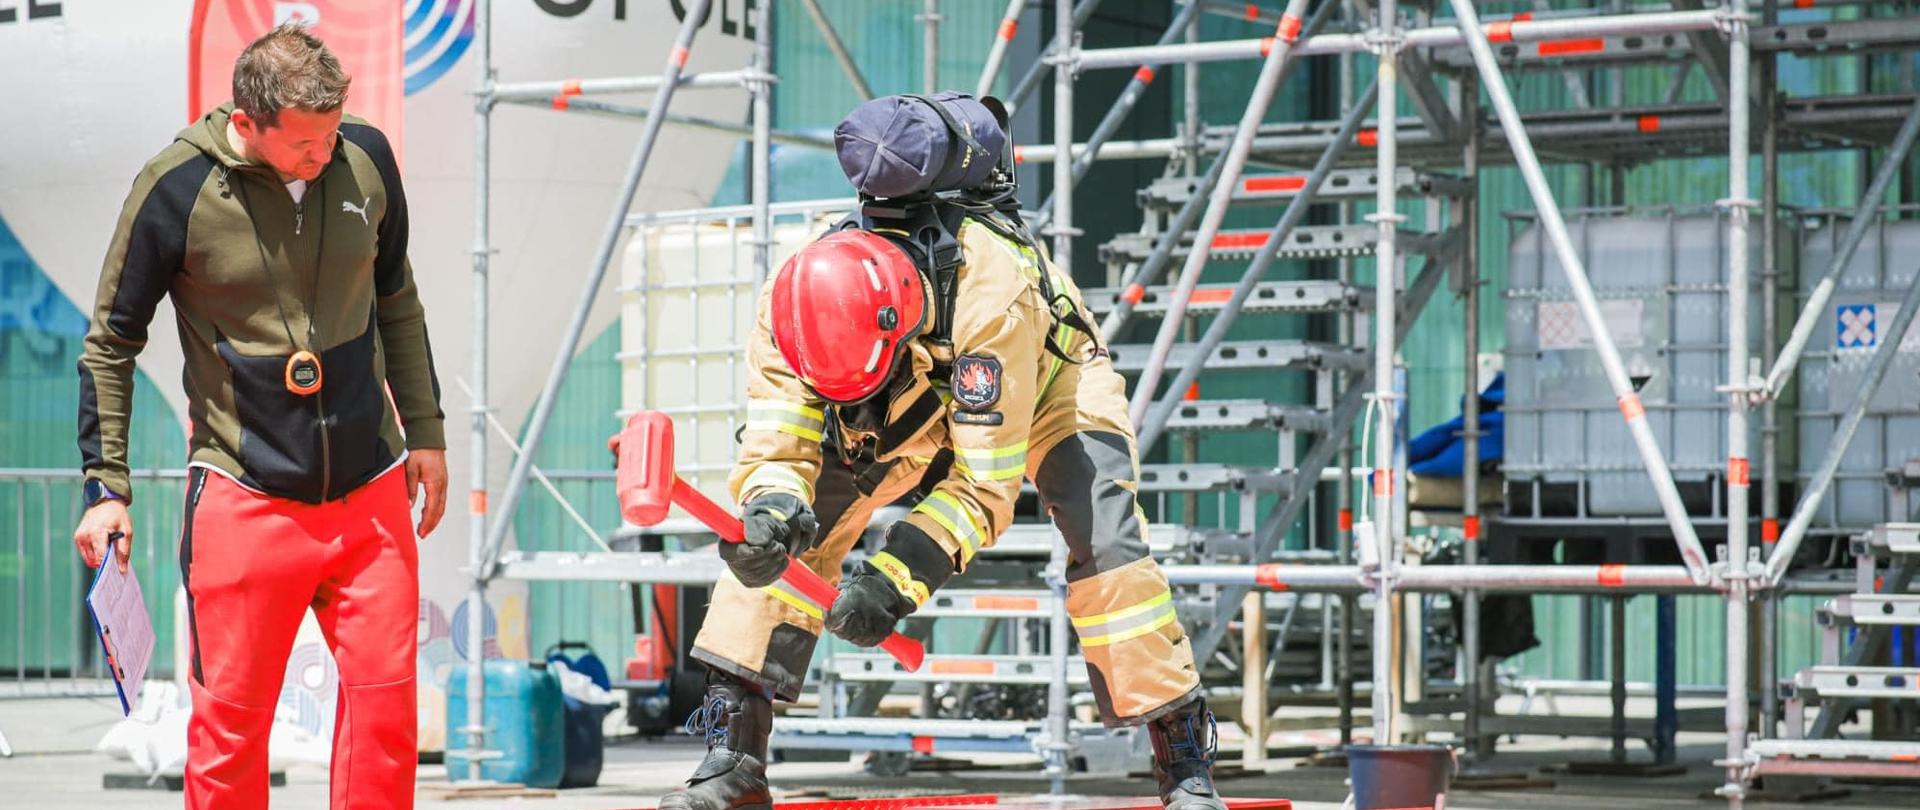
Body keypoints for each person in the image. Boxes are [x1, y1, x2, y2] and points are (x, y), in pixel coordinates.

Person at [660, 150, 1224, 810]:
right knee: (772, 554)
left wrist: (891, 583)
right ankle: (734, 762)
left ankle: (1184, 766)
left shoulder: (993, 297)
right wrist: (772, 506)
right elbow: (779, 438)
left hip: (1047, 382)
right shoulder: (790, 312)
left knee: (1108, 549)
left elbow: (983, 485)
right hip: (894, 393)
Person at [70, 23, 445, 810]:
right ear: (247, 121)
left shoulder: (366, 157)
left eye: (332, 134)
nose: (325, 153)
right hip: (244, 496)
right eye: (306, 143)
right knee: (230, 737)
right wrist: (106, 488)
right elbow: (110, 346)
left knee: (385, 720)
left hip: (371, 492)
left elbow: (397, 299)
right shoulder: (174, 189)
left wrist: (427, 431)